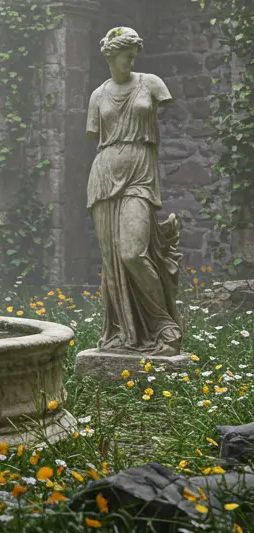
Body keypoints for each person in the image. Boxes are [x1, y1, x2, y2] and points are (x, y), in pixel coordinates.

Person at [86, 25, 182, 355]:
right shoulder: (98, 95)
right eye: (126, 56)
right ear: (111, 57)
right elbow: (95, 135)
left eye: (133, 55)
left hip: (140, 173)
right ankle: (124, 335)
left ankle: (165, 327)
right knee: (113, 260)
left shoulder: (151, 84)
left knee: (132, 252)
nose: (131, 61)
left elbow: (162, 108)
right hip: (103, 177)